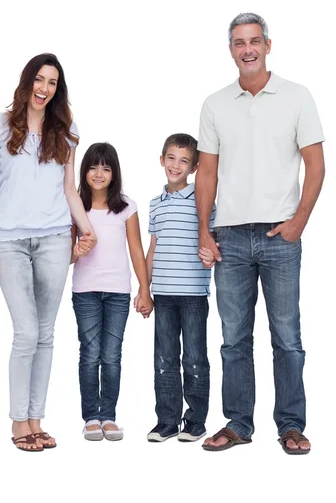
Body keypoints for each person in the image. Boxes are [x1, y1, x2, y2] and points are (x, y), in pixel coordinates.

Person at [196, 13, 325, 454]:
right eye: (238, 43)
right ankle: (237, 423)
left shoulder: (296, 97)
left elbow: (316, 164)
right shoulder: (215, 104)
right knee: (234, 339)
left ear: (268, 45)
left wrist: (299, 221)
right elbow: (206, 173)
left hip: (279, 236)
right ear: (230, 49)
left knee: (287, 336)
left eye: (254, 41)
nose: (247, 49)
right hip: (228, 237)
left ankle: (290, 425)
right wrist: (204, 232)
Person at [0, 53, 97, 452]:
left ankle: (36, 419)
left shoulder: (66, 131)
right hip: (8, 240)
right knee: (26, 332)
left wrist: (87, 229)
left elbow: (69, 190)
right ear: (28, 80)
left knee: (45, 334)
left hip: (53, 240)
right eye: (40, 79)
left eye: (52, 83)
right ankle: (18, 422)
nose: (45, 88)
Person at [71, 142, 154, 441]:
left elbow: (136, 249)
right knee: (90, 354)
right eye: (93, 166)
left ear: (114, 173)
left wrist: (145, 290)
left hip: (118, 292)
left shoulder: (126, 207)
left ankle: (109, 417)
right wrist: (77, 250)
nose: (99, 173)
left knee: (112, 356)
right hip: (85, 291)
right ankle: (91, 417)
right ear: (84, 170)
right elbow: (68, 254)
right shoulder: (76, 204)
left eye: (106, 168)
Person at [145, 134, 216, 443]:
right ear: (162, 160)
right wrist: (144, 289)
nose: (176, 165)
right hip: (162, 294)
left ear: (195, 166)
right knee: (164, 359)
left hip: (193, 295)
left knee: (195, 359)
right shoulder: (155, 205)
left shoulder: (203, 202)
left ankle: (196, 421)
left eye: (184, 160)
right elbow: (153, 249)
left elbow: (213, 243)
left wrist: (212, 255)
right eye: (171, 158)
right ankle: (167, 421)